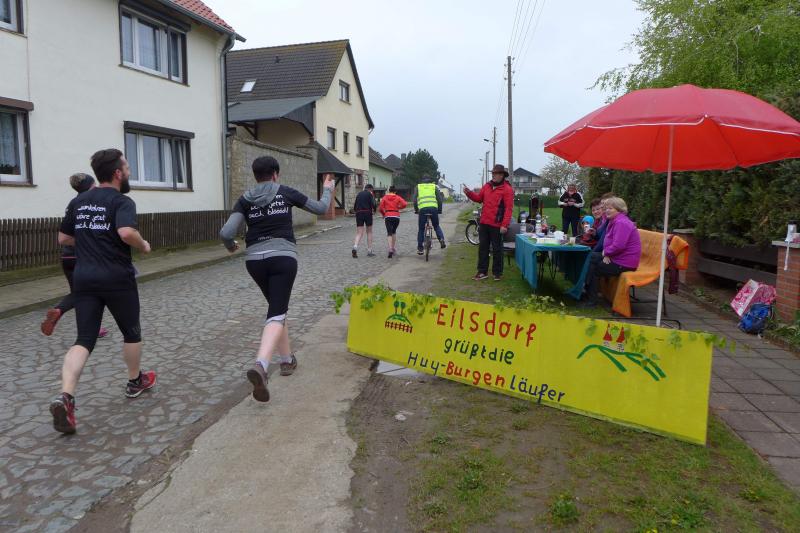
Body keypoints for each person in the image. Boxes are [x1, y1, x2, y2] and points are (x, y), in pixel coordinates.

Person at [50, 149, 154, 434]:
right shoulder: (122, 201)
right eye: (127, 168)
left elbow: (64, 238)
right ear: (118, 173)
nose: (129, 172)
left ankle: (66, 396)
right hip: (117, 277)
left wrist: (90, 238)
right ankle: (135, 381)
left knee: (84, 339)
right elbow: (126, 233)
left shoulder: (79, 201)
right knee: (131, 332)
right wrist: (144, 245)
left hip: (84, 278)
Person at [220, 156, 334, 403]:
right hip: (282, 257)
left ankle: (286, 360)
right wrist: (327, 189)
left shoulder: (245, 199)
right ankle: (261, 365)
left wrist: (230, 246)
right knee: (277, 312)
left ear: (255, 176)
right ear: (275, 174)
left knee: (277, 310)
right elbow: (321, 208)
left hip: (255, 261)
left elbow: (226, 232)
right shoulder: (285, 192)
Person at [41, 173, 108, 339]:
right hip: (86, 258)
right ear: (90, 187)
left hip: (68, 258)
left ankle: (63, 313)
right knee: (92, 294)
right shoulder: (94, 205)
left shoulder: (73, 204)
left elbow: (63, 238)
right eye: (94, 185)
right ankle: (84, 323)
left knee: (78, 294)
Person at [580, 197, 641, 307]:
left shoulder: (621, 223)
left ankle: (590, 299)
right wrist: (607, 254)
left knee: (594, 268)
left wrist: (606, 253)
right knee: (591, 257)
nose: (606, 211)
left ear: (619, 209)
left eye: (610, 208)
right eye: (606, 208)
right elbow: (609, 241)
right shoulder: (614, 221)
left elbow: (619, 246)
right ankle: (586, 291)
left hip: (625, 263)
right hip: (617, 257)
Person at [463, 164, 514, 281]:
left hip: (497, 224)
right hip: (484, 222)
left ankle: (497, 273)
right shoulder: (487, 186)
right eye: (493, 173)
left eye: (496, 174)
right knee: (483, 248)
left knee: (497, 249)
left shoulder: (507, 189)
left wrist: (504, 225)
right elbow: (478, 199)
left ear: (502, 175)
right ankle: (482, 272)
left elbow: (508, 209)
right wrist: (468, 193)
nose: (494, 175)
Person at [413, 174, 446, 254]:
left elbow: (414, 200)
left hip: (423, 209)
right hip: (433, 209)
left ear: (422, 180)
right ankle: (441, 239)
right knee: (436, 226)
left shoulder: (418, 187)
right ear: (429, 180)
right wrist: (439, 210)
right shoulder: (434, 186)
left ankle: (420, 248)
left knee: (421, 229)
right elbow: (439, 200)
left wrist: (416, 210)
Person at [378, 185, 408, 258]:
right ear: (395, 191)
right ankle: (393, 248)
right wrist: (399, 207)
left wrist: (383, 214)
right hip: (396, 216)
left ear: (389, 191)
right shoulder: (398, 197)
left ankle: (390, 249)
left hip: (388, 216)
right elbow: (405, 204)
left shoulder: (385, 197)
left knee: (389, 232)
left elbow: (380, 208)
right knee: (393, 231)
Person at [352, 183, 377, 258]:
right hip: (367, 213)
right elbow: (374, 204)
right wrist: (374, 210)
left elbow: (355, 206)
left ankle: (355, 247)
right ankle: (369, 251)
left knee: (359, 233)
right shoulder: (370, 194)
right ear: (370, 189)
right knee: (369, 232)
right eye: (372, 190)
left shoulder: (359, 194)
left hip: (359, 213)